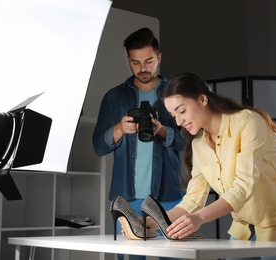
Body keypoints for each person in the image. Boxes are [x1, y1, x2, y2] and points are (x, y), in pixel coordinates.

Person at [157, 72, 276, 260]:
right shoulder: (199, 144)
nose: (178, 121)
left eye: (182, 111)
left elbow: (242, 187)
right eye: (173, 115)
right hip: (243, 227)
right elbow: (192, 200)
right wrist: (151, 222)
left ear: (202, 99)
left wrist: (199, 218)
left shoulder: (247, 122)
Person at [92, 28, 185, 260]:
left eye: (149, 61)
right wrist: (119, 129)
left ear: (159, 58)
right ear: (128, 61)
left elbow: (188, 143)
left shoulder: (176, 93)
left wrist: (162, 130)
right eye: (135, 63)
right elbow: (98, 147)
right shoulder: (114, 97)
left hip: (169, 195)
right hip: (126, 198)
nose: (142, 68)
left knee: (173, 256)